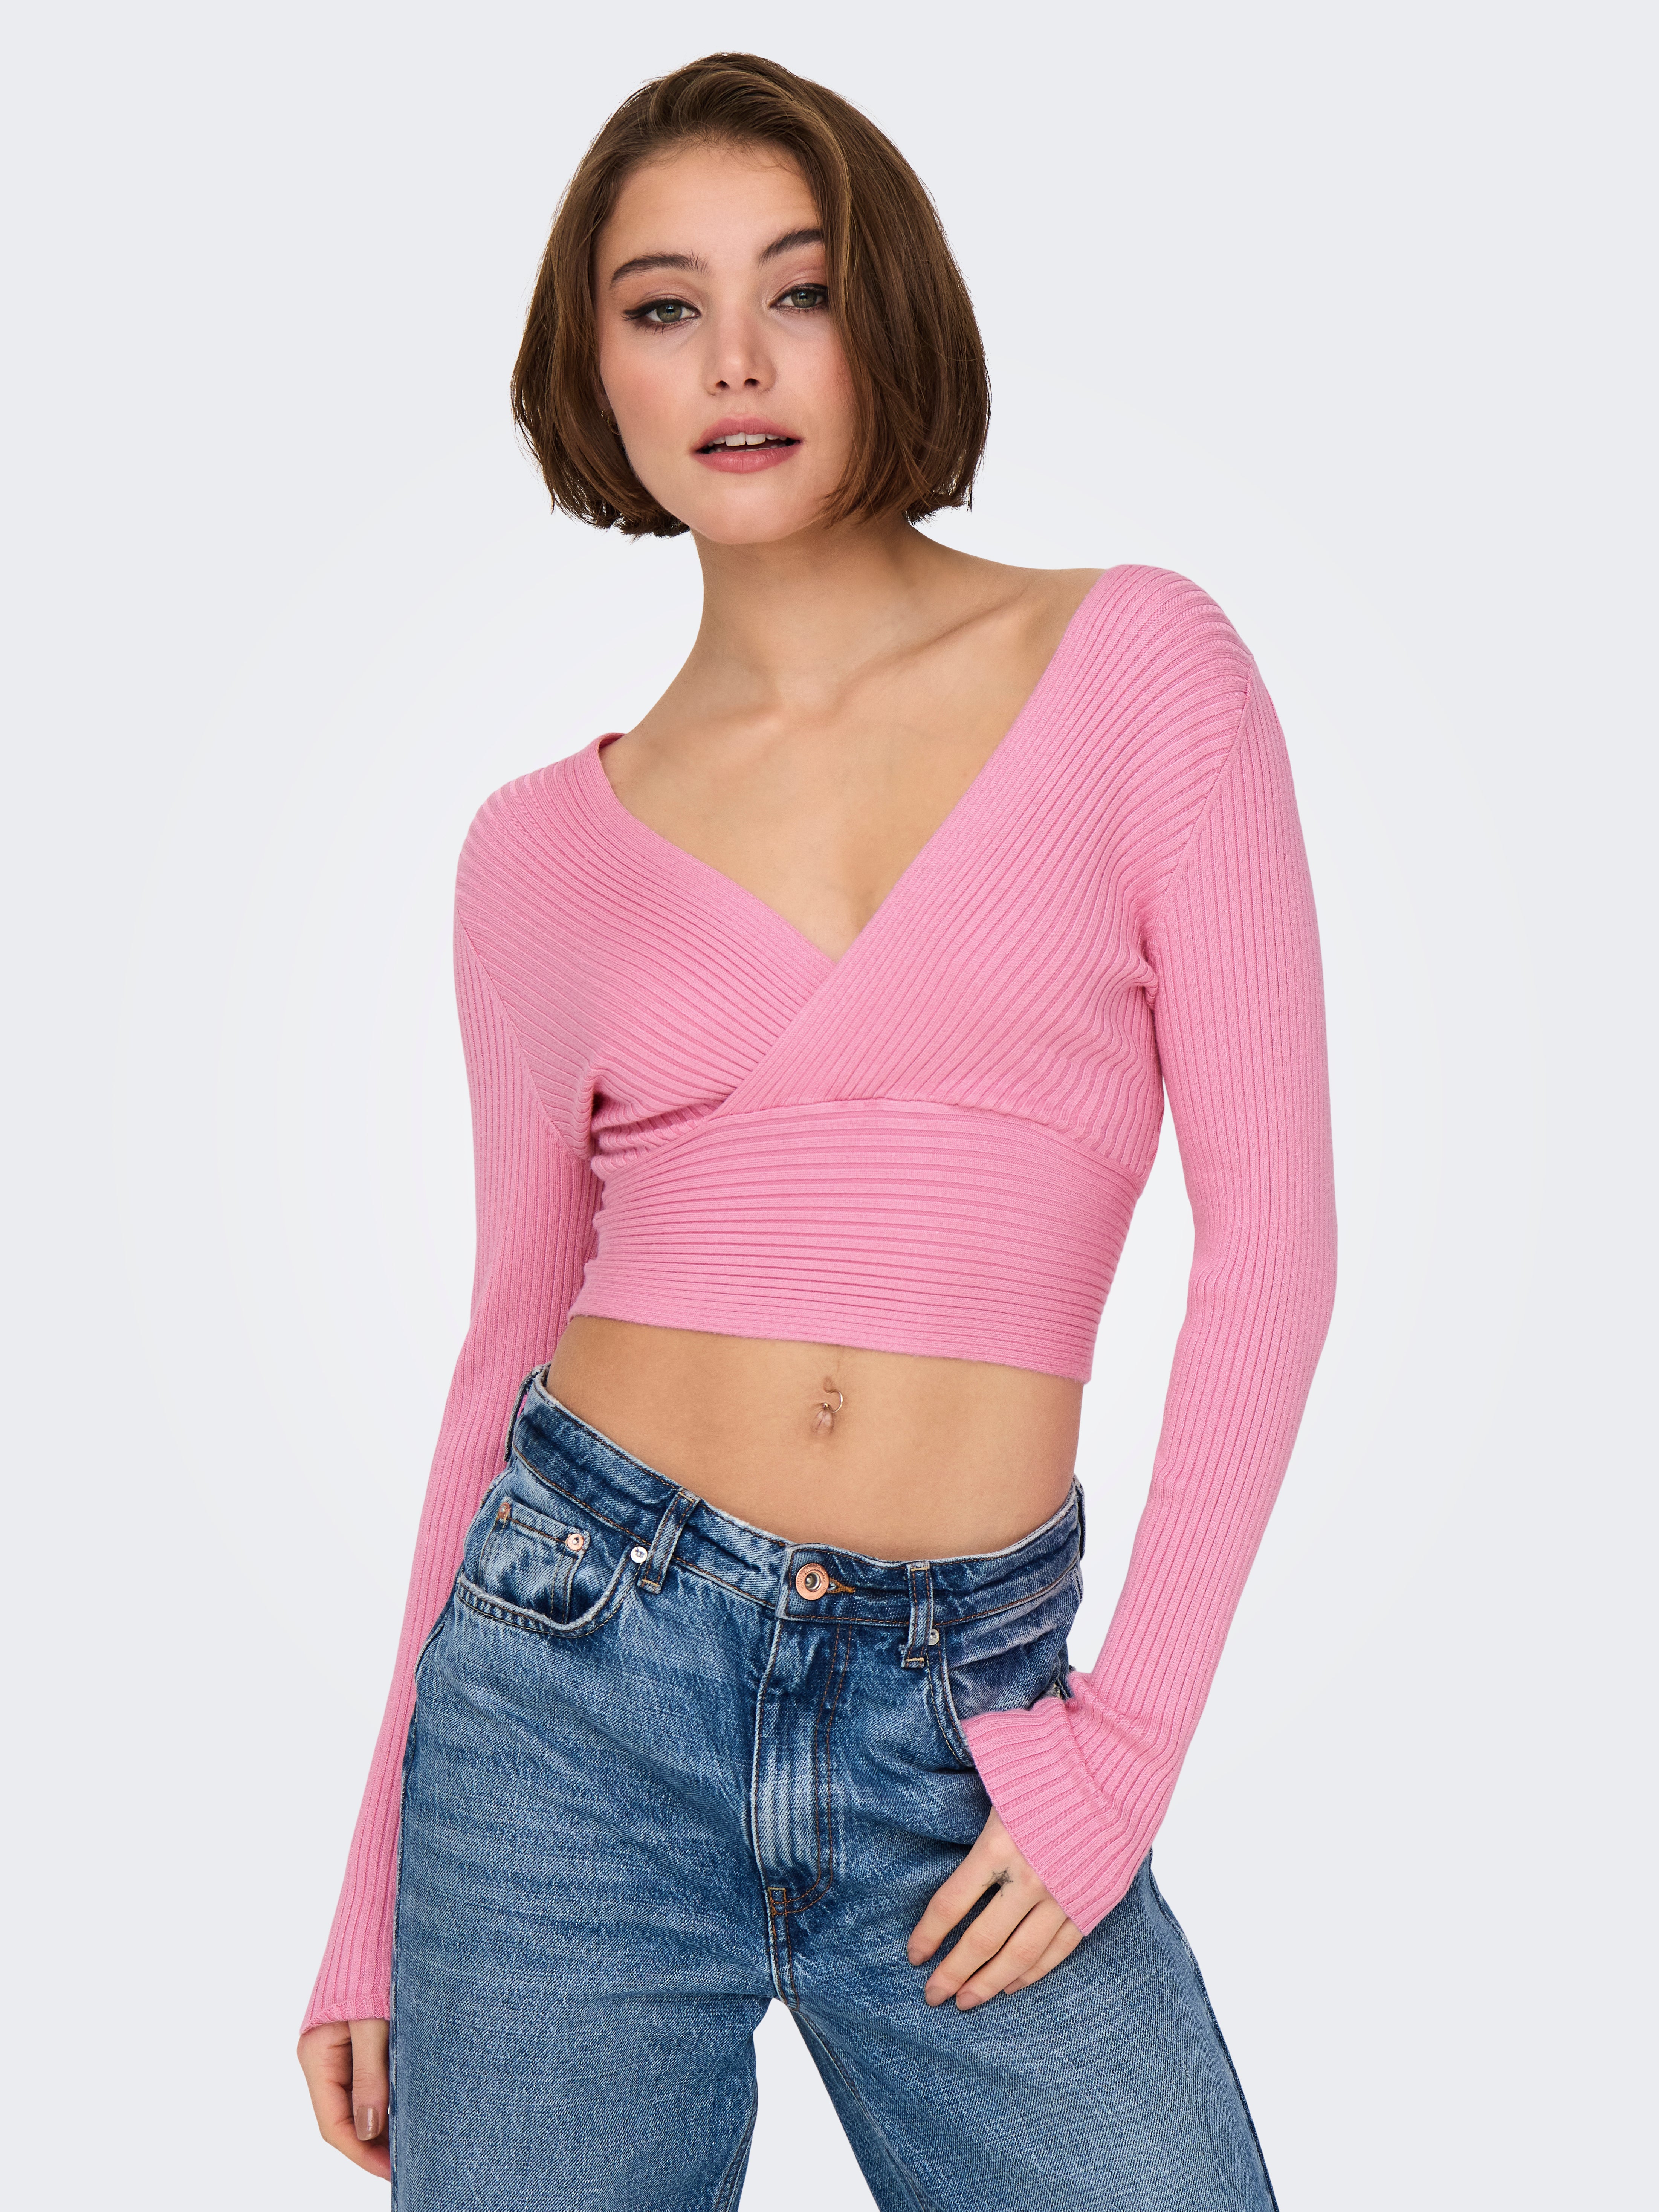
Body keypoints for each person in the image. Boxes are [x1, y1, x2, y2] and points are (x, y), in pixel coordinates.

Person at [297, 49, 1337, 2211]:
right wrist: (369, 1890)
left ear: (891, 318)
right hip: (568, 1695)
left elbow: (1275, 1246)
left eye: (800, 289)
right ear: (593, 367)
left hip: (969, 1722)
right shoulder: (532, 854)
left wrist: (1124, 1751)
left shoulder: (1137, 668)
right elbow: (502, 1354)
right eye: (663, 306)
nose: (737, 362)